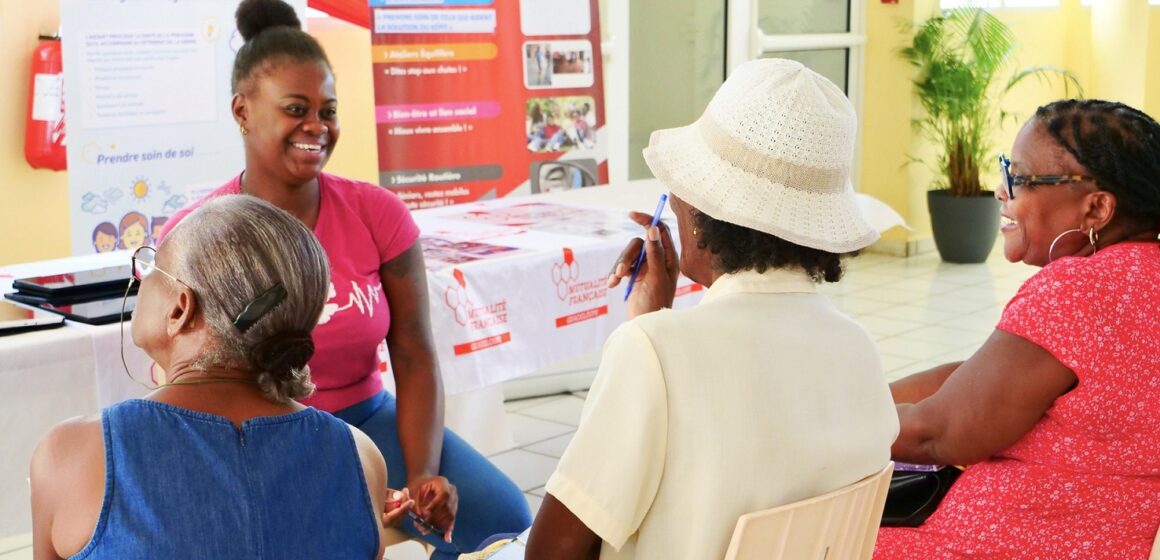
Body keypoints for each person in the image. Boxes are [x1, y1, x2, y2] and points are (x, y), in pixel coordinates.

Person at [158, 1, 530, 556]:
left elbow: (413, 351)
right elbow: (176, 379)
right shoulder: (198, 233)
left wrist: (421, 478)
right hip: (254, 436)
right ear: (242, 111)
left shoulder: (377, 214)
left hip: (365, 417)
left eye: (328, 111)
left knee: (500, 513)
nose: (316, 127)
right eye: (295, 108)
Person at [523, 59, 899, 560]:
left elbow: (552, 552)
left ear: (701, 218)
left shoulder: (655, 352)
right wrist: (659, 324)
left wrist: (653, 334)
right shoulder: (859, 350)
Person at [874, 99, 1160, 559]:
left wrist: (822, 424)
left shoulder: (1078, 289)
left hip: (1002, 543)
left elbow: (939, 433)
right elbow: (981, 379)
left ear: (1096, 209)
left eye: (1019, 178)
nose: (1000, 191)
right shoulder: (1141, 279)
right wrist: (855, 397)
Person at [30, 196, 390, 559]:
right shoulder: (360, 457)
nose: (142, 278)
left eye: (153, 266)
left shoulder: (74, 455)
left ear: (180, 309)